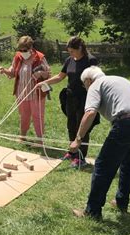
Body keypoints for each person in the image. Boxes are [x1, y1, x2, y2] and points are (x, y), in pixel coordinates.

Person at [71, 66, 130, 220]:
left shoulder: (95, 85)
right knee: (128, 164)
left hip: (128, 122)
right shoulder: (120, 79)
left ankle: (92, 211)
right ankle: (121, 202)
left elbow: (90, 112)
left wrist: (78, 139)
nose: (85, 88)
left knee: (103, 166)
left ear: (88, 80)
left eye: (84, 85)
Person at [36, 36, 99, 168]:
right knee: (71, 125)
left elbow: (95, 79)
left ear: (80, 48)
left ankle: (81, 157)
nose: (70, 54)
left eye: (72, 51)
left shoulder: (90, 60)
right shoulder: (69, 60)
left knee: (82, 127)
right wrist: (44, 82)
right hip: (70, 97)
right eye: (69, 51)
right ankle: (72, 152)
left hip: (85, 98)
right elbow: (60, 76)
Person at [0, 36, 50, 144]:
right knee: (23, 115)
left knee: (37, 116)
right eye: (20, 50)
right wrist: (4, 71)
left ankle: (40, 140)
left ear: (31, 48)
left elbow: (48, 74)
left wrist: (41, 73)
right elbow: (12, 73)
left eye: (24, 50)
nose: (22, 52)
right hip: (21, 93)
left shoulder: (40, 58)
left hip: (36, 93)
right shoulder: (18, 57)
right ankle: (23, 136)